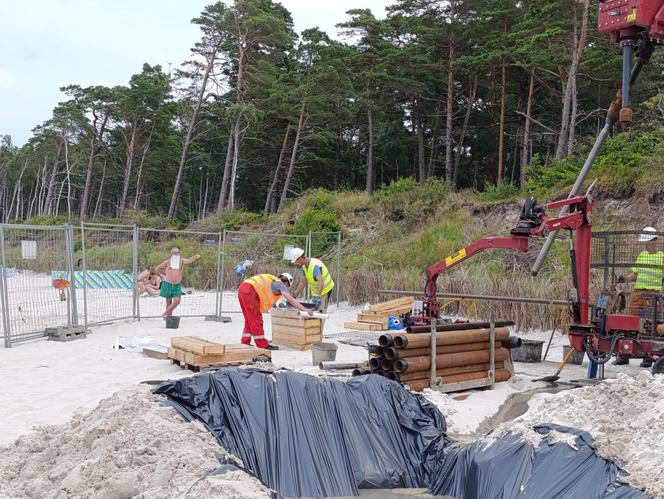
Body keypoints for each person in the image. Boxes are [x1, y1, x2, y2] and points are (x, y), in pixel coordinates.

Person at [614, 227, 663, 367]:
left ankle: (648, 356)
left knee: (649, 325)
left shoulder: (662, 257)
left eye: (648, 242)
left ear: (654, 241)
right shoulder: (642, 256)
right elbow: (634, 275)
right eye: (645, 243)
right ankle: (624, 354)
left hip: (653, 295)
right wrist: (623, 279)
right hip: (638, 293)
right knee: (631, 321)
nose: (646, 245)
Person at [239, 272, 313, 350]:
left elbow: (268, 297)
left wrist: (275, 306)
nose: (286, 288)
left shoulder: (272, 281)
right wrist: (305, 309)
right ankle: (262, 344)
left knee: (249, 319)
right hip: (249, 291)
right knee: (257, 319)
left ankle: (245, 342)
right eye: (287, 286)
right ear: (287, 282)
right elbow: (290, 299)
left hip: (243, 289)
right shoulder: (280, 283)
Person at [155, 248, 200, 318]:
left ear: (179, 253)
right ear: (171, 254)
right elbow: (157, 268)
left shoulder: (182, 261)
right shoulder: (167, 262)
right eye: (174, 253)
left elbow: (189, 260)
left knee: (177, 301)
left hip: (177, 284)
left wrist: (196, 256)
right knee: (168, 301)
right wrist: (164, 273)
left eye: (177, 252)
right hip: (167, 283)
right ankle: (169, 317)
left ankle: (165, 313)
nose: (176, 254)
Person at [289, 248, 335, 313]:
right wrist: (295, 295)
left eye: (296, 261)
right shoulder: (304, 266)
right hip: (317, 291)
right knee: (314, 310)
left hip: (325, 289)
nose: (295, 263)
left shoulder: (314, 266)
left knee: (321, 311)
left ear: (300, 258)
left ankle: (321, 322)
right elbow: (303, 282)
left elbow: (321, 281)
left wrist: (318, 296)